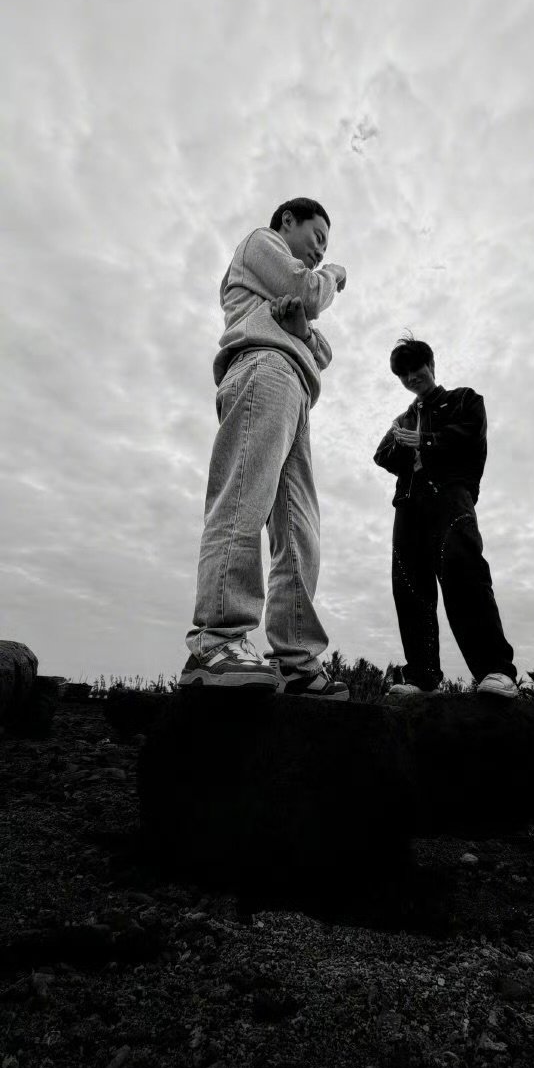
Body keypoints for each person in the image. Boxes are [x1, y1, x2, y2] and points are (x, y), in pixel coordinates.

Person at [181, 198, 349, 698]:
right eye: (317, 236)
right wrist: (334, 276)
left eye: (328, 247)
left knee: (300, 530)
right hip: (262, 369)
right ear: (287, 222)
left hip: (295, 389)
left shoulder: (280, 284)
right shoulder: (261, 243)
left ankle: (295, 660)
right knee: (243, 500)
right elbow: (310, 291)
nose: (321, 250)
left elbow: (321, 352)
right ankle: (216, 639)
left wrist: (300, 330)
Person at [373, 335, 518, 699]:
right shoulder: (403, 416)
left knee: (463, 571)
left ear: (431, 366)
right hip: (408, 504)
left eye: (415, 369)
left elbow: (470, 435)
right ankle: (422, 677)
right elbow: (382, 455)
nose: (410, 378)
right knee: (408, 584)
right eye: (402, 374)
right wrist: (406, 444)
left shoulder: (464, 400)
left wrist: (424, 441)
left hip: (451, 497)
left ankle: (496, 671)